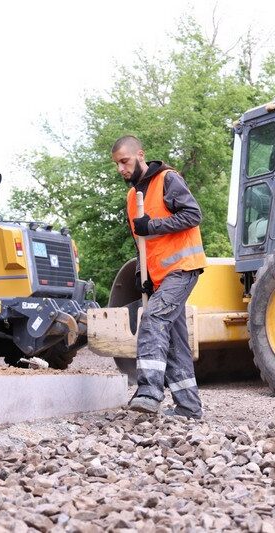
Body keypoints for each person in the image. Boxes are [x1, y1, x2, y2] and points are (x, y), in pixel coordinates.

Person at [111, 135, 207, 419]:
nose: (121, 169)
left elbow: (193, 214)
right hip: (160, 277)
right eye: (117, 164)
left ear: (140, 155)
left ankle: (149, 393)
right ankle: (189, 408)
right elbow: (144, 246)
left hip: (183, 268)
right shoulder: (133, 198)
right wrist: (144, 276)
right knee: (176, 339)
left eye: (125, 161)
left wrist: (152, 225)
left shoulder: (167, 179)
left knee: (153, 319)